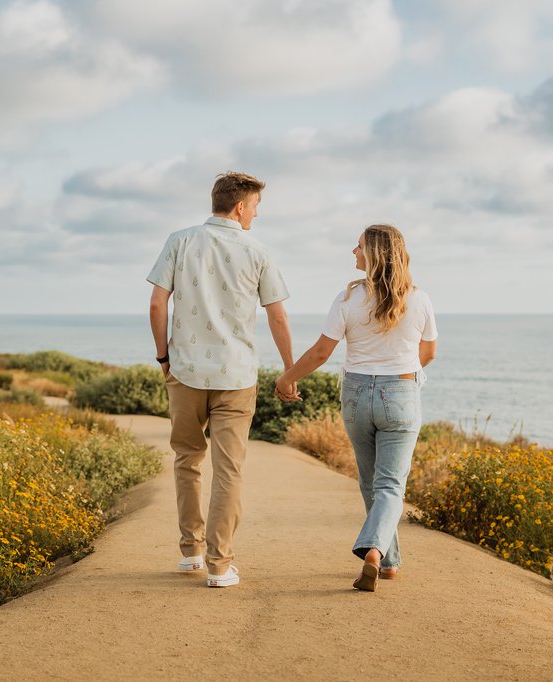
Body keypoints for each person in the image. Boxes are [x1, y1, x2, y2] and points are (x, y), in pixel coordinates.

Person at [147, 171, 295, 588]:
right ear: (239, 207)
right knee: (229, 469)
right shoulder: (258, 250)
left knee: (187, 459)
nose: (256, 215)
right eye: (255, 208)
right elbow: (277, 315)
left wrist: (163, 358)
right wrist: (287, 369)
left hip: (186, 371)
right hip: (236, 375)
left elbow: (158, 305)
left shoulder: (179, 240)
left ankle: (190, 552)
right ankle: (219, 565)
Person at [275, 224, 437, 592]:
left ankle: (386, 560)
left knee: (371, 483)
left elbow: (320, 352)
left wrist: (286, 378)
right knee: (390, 485)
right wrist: (397, 379)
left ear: (375, 253)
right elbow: (428, 354)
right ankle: (379, 554)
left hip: (356, 395)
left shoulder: (347, 298)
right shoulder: (420, 298)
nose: (353, 252)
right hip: (402, 393)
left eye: (359, 246)